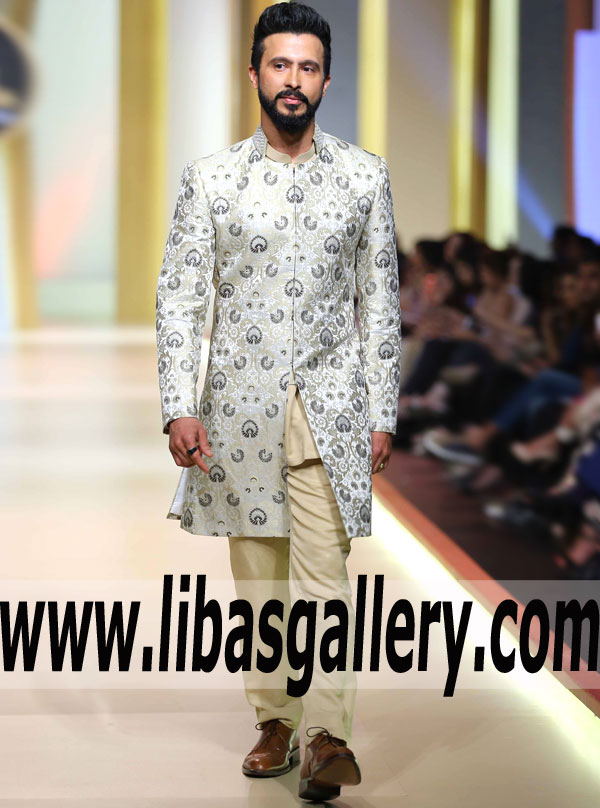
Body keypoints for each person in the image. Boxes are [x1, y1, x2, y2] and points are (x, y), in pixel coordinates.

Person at [155, 2, 401, 801]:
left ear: (326, 79)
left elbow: (379, 302)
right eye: (280, 64)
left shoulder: (363, 176)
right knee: (260, 583)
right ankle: (275, 721)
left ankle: (327, 736)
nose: (293, 80)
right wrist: (177, 403)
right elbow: (180, 298)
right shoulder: (212, 178)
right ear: (255, 73)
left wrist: (383, 412)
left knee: (326, 575)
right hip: (238, 408)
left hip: (331, 409)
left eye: (307, 67)